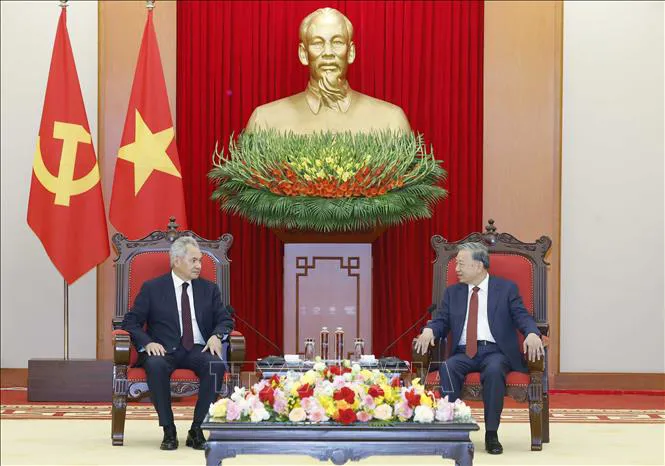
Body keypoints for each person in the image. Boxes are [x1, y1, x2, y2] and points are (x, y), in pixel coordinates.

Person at [414, 242, 544, 455]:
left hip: (495, 352)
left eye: (461, 264)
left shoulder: (505, 289)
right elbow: (441, 320)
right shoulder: (453, 292)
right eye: (456, 264)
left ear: (478, 265)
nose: (456, 269)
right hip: (463, 352)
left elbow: (522, 315)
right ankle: (452, 429)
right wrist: (429, 330)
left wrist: (531, 333)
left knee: (494, 370)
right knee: (448, 367)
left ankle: (491, 434)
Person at [122, 236, 234, 451]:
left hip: (198, 348)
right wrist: (148, 343)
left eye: (200, 260)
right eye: (194, 260)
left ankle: (197, 429)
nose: (199, 265)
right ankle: (168, 429)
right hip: (163, 349)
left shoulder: (209, 289)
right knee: (155, 365)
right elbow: (130, 322)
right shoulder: (153, 288)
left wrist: (217, 335)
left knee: (215, 365)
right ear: (176, 261)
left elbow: (225, 320)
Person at [245, 7, 411, 134]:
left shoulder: (391, 122)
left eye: (337, 42)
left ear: (351, 52)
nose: (328, 52)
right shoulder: (265, 122)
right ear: (303, 53)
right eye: (318, 43)